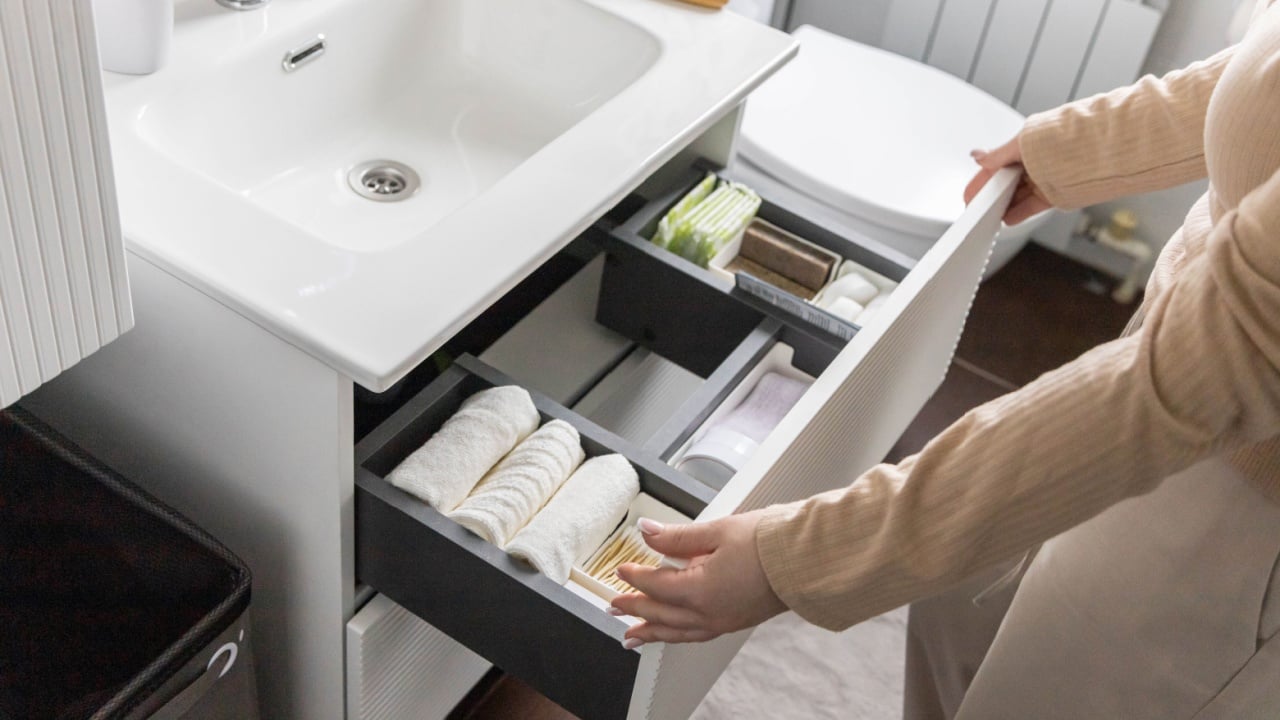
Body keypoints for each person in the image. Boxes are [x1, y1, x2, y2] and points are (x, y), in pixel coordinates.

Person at [608, 1, 1280, 716]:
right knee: (961, 601)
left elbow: (1161, 393)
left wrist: (795, 561)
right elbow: (1258, 76)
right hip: (1192, 352)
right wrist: (1074, 150)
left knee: (1036, 690)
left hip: (1239, 505)